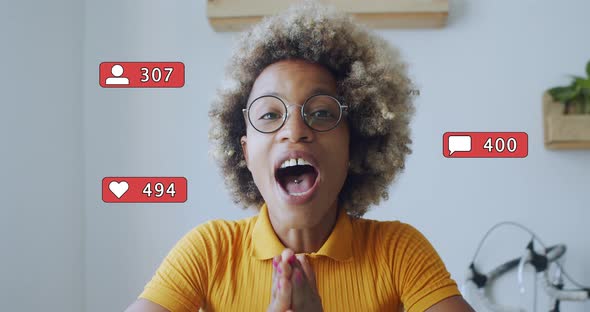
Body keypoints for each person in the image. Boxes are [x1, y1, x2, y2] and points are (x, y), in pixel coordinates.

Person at [125, 2, 475, 311]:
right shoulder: (210, 251)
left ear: (355, 144)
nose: (294, 130)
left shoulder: (398, 251)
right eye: (269, 114)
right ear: (245, 151)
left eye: (322, 113)